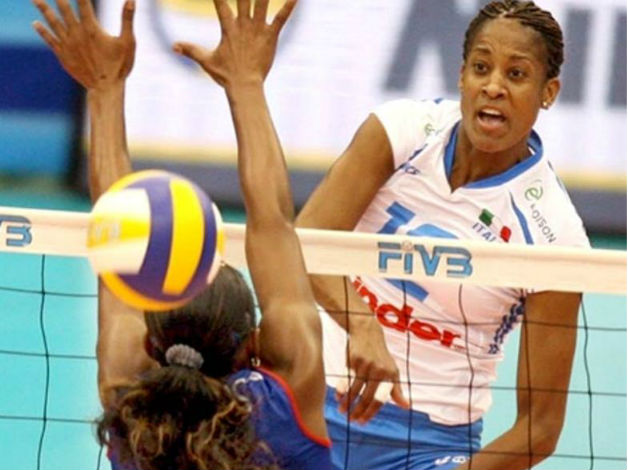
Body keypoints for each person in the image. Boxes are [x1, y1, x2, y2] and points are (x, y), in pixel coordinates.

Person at [32, 0, 334, 468]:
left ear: (149, 344)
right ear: (253, 346)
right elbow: (273, 222)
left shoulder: (129, 405)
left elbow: (119, 229)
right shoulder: (287, 398)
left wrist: (105, 88)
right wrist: (246, 84)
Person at [295, 1, 589, 469]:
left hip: (424, 447)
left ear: (547, 93)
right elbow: (306, 243)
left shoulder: (555, 236)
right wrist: (362, 323)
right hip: (306, 404)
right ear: (461, 76)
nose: (493, 86)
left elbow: (540, 429)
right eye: (481, 68)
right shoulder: (403, 132)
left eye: (516, 75)